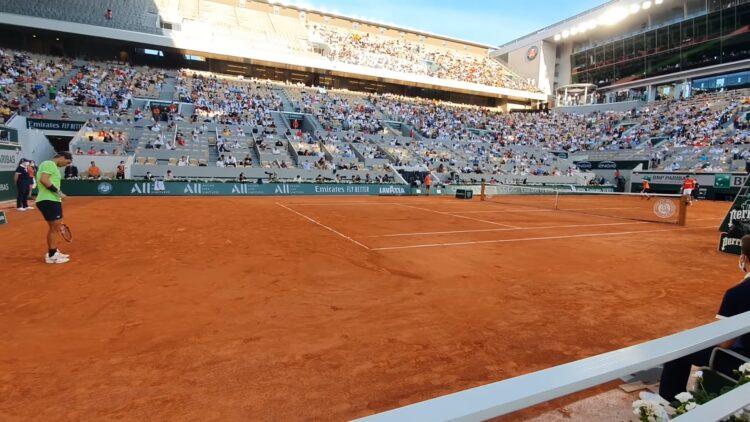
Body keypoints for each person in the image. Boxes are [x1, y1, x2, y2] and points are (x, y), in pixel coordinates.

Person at [642, 234, 750, 403]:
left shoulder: (737, 293)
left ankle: (668, 400)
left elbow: (724, 343)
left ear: (743, 258)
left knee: (681, 344)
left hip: (742, 363)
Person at [35, 152, 73, 264]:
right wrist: (59, 192)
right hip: (49, 199)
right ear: (62, 157)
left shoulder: (52, 166)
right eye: (67, 162)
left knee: (54, 227)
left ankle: (53, 251)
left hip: (52, 200)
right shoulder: (49, 164)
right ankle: (52, 255)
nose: (66, 165)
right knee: (54, 228)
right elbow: (44, 180)